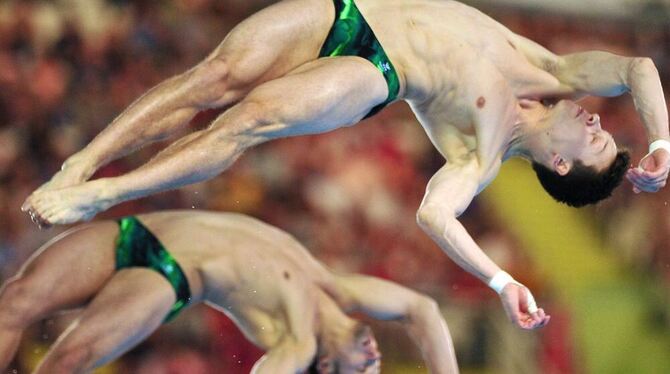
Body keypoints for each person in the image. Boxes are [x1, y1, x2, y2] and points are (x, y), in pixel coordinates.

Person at [22, 0, 669, 328]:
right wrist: (661, 142)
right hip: (350, 8)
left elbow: (433, 214)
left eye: (596, 143)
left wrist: (501, 282)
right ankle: (82, 163)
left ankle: (106, 194)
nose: (597, 122)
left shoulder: (483, 153)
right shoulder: (556, 71)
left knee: (245, 120)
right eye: (606, 129)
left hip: (373, 71)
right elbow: (639, 70)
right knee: (211, 78)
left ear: (558, 164)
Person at [0, 210, 459, 374]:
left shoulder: (296, 344)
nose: (374, 364)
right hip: (139, 231)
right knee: (14, 301)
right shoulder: (339, 289)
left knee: (65, 362)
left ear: (324, 363)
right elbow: (424, 310)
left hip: (168, 275)